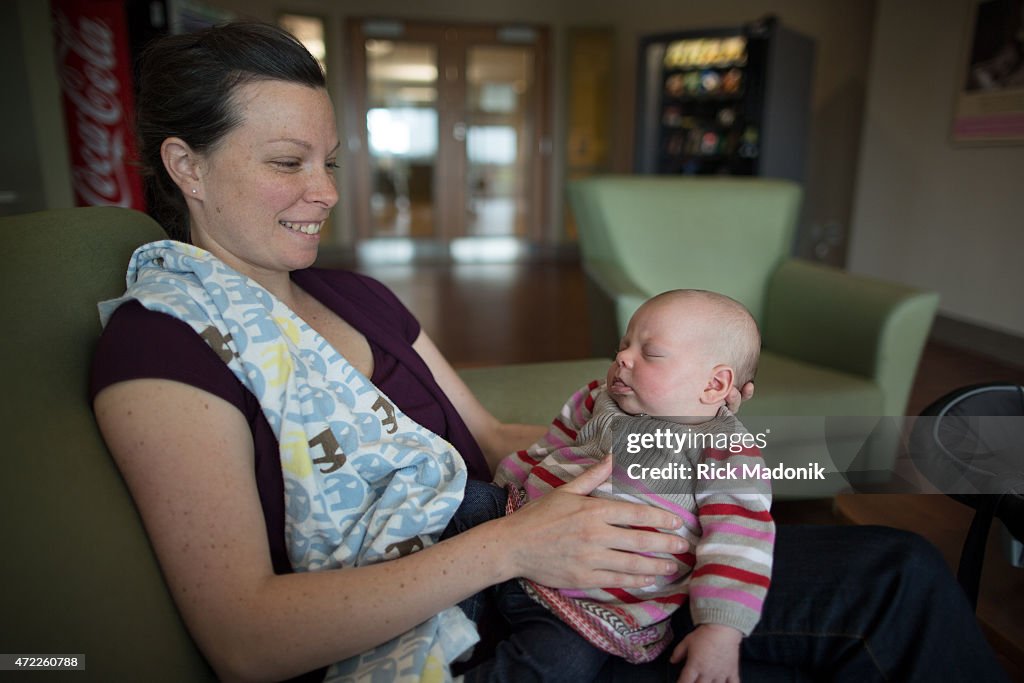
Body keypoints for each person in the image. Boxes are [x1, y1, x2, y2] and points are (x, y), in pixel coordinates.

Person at [89, 22, 1008, 683]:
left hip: (581, 548)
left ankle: (979, 453)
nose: (324, 192)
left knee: (901, 566)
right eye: (288, 162)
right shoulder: (164, 348)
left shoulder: (354, 296)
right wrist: (517, 544)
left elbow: (494, 439)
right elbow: (244, 640)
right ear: (186, 166)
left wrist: (721, 456)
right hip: (486, 616)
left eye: (332, 160)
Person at [489, 289, 771, 683]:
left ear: (714, 384)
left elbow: (741, 539)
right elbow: (545, 450)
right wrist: (502, 486)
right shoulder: (597, 400)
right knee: (458, 501)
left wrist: (721, 630)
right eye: (625, 345)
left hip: (591, 604)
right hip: (507, 531)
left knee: (553, 666)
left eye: (650, 353)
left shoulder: (723, 449)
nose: (622, 357)